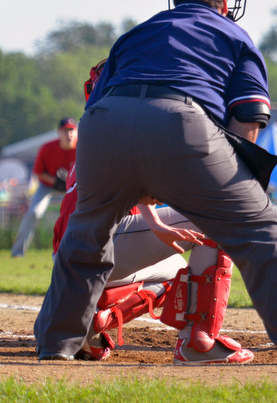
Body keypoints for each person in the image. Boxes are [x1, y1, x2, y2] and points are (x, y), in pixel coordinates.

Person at [34, 0, 277, 365]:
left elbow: (100, 97)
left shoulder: (137, 33)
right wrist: (241, 190)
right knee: (265, 229)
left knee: (86, 237)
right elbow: (249, 115)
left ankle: (57, 344)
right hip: (179, 121)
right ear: (225, 3)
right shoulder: (233, 33)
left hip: (101, 124)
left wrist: (139, 168)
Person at [49, 61, 251, 364]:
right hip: (101, 244)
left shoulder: (96, 127)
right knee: (220, 218)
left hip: (70, 262)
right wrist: (156, 222)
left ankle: (92, 320)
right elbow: (140, 173)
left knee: (174, 271)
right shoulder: (127, 124)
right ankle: (198, 342)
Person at [10, 117, 77, 257]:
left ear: (76, 132)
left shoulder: (82, 148)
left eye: (72, 130)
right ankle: (17, 252)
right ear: (59, 133)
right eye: (65, 131)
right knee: (33, 213)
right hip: (48, 187)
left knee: (80, 214)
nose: (69, 134)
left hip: (72, 187)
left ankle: (75, 251)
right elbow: (38, 172)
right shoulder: (47, 148)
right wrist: (56, 181)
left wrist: (68, 182)